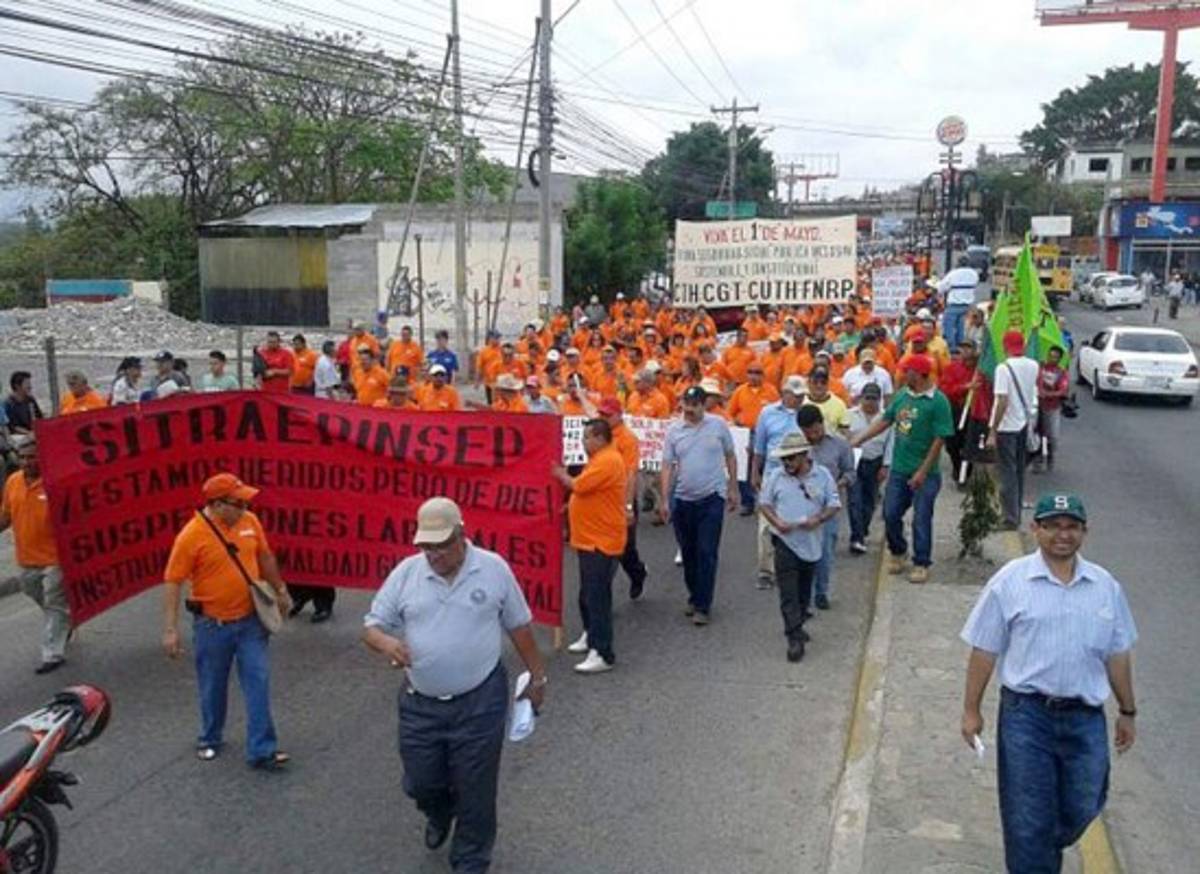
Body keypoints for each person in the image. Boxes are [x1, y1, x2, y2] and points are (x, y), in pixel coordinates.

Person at [362, 497, 546, 873]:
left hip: (480, 701)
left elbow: (519, 625)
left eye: (442, 545)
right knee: (420, 783)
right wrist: (387, 644)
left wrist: (537, 676)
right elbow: (372, 626)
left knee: (476, 790)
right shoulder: (407, 573)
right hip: (420, 705)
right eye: (426, 546)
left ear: (462, 534)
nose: (434, 554)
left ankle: (470, 860)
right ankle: (439, 810)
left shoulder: (493, 569)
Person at [960, 493, 1138, 874]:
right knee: (1026, 815)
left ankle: (1039, 845)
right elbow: (984, 649)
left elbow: (1118, 654)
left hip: (1085, 718)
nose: (1063, 535)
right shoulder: (1011, 581)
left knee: (1085, 801)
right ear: (1035, 529)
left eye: (1072, 527)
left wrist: (1128, 710)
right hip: (1027, 716)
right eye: (1053, 526)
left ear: (1084, 532)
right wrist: (971, 710)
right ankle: (1034, 854)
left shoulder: (1105, 586)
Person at [161, 473, 293, 769]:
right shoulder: (191, 536)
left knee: (258, 682)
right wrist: (170, 629)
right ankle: (210, 737)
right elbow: (173, 580)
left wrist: (281, 590)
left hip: (251, 623)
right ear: (217, 505)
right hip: (212, 627)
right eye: (239, 503)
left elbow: (265, 557)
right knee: (213, 685)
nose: (245, 508)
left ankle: (262, 750)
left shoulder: (250, 522)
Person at [851, 354, 954, 584]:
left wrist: (923, 471)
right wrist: (859, 439)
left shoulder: (938, 402)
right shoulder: (902, 397)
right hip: (899, 469)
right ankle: (898, 550)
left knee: (921, 517)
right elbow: (885, 421)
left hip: (926, 473)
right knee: (890, 513)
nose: (903, 375)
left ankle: (921, 562)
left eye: (908, 371)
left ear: (919, 374)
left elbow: (939, 439)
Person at [659, 386, 738, 625]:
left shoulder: (718, 426)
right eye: (686, 404)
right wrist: (664, 499)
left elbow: (730, 455)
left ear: (704, 405)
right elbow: (667, 465)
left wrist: (733, 488)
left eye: (695, 405)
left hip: (712, 497)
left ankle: (703, 605)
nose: (689, 409)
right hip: (683, 499)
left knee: (707, 552)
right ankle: (695, 595)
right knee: (689, 552)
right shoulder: (674, 431)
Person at [553, 419, 627, 674]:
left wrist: (560, 474)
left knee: (597, 597)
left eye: (587, 437)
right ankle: (590, 634)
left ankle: (603, 652)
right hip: (589, 538)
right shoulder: (599, 459)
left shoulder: (608, 460)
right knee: (587, 594)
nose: (582, 442)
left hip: (601, 541)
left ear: (600, 438)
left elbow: (579, 485)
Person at [758, 433, 840, 662]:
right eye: (784, 459)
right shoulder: (776, 476)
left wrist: (819, 519)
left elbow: (834, 504)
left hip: (811, 544)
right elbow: (764, 503)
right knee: (788, 593)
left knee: (804, 592)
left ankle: (799, 622)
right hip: (785, 543)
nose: (787, 463)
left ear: (804, 455)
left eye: (792, 458)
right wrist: (777, 522)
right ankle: (793, 637)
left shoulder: (822, 475)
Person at [0, 436, 71, 674]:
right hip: (27, 559)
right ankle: (64, 620)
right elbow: (6, 516)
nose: (26, 462)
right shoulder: (13, 482)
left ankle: (52, 653)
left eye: (31, 457)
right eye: (22, 457)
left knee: (54, 600)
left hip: (56, 559)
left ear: (42, 458)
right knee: (34, 591)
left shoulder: (56, 482)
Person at [796, 405, 855, 610]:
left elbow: (850, 472)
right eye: (807, 432)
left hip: (828, 507)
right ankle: (804, 592)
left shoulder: (840, 444)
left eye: (815, 430)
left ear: (821, 424)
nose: (812, 435)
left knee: (825, 550)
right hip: (800, 504)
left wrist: (839, 483)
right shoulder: (795, 446)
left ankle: (821, 591)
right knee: (801, 550)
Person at [749, 375, 806, 589]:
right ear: (784, 394)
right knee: (766, 523)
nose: (799, 399)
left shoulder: (806, 413)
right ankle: (766, 571)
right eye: (795, 395)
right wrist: (755, 472)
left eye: (801, 396)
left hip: (798, 474)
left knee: (797, 519)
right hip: (773, 473)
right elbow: (759, 447)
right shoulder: (767, 413)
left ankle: (794, 566)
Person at [988, 331, 1040, 530]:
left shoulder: (1003, 368)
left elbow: (1002, 400)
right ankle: (1015, 511)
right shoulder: (1033, 365)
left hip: (1007, 426)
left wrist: (993, 430)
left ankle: (1010, 518)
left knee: (1007, 473)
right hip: (1024, 424)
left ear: (1005, 346)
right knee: (1019, 472)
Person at [598, 398, 648, 600]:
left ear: (619, 415)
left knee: (625, 549)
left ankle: (637, 573)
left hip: (620, 500)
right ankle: (600, 598)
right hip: (601, 500)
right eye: (601, 414)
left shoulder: (627, 439)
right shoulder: (599, 435)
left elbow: (630, 474)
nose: (603, 418)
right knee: (603, 551)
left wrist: (627, 506)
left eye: (608, 415)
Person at [728, 362, 780, 515]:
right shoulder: (740, 391)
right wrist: (736, 422)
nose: (753, 375)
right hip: (746, 433)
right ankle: (747, 502)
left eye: (757, 372)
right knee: (744, 468)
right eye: (750, 372)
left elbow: (779, 411)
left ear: (763, 375)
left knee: (766, 466)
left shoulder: (771, 391)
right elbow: (730, 412)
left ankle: (769, 500)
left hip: (766, 433)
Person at [846, 383, 892, 554]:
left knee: (869, 501)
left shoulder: (886, 418)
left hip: (875, 462)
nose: (870, 402)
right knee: (854, 500)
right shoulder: (850, 415)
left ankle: (862, 529)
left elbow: (890, 443)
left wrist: (886, 465)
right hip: (855, 462)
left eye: (874, 399)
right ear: (861, 398)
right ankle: (856, 538)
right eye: (867, 398)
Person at [1035, 346, 1070, 474]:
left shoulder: (1061, 373)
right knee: (1037, 434)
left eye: (1055, 357)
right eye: (1050, 355)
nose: (1052, 359)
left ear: (1059, 359)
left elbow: (1063, 390)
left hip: (1052, 408)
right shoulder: (1040, 368)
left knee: (1052, 435)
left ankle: (1050, 456)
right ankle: (1037, 460)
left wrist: (1048, 394)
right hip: (1037, 406)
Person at [937, 255, 979, 348]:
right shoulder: (974, 273)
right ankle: (961, 346)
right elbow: (976, 283)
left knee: (948, 326)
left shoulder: (953, 273)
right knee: (961, 327)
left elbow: (941, 288)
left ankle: (951, 347)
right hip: (967, 305)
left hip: (954, 304)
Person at [801, 367, 851, 434]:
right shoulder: (800, 402)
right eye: (815, 382)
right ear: (808, 383)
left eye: (823, 382)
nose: (819, 385)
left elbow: (844, 430)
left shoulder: (839, 404)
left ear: (828, 384)